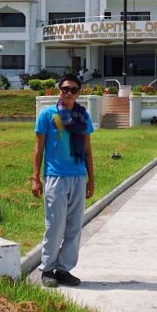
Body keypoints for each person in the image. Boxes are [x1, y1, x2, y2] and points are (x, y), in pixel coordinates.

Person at [31, 74, 94, 287]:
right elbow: (38, 149)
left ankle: (64, 268)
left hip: (77, 177)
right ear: (59, 90)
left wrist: (90, 179)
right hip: (55, 177)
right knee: (55, 226)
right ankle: (48, 269)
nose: (68, 93)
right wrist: (35, 178)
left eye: (73, 90)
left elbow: (87, 151)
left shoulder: (82, 116)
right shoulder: (47, 115)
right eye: (65, 89)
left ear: (79, 93)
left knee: (74, 226)